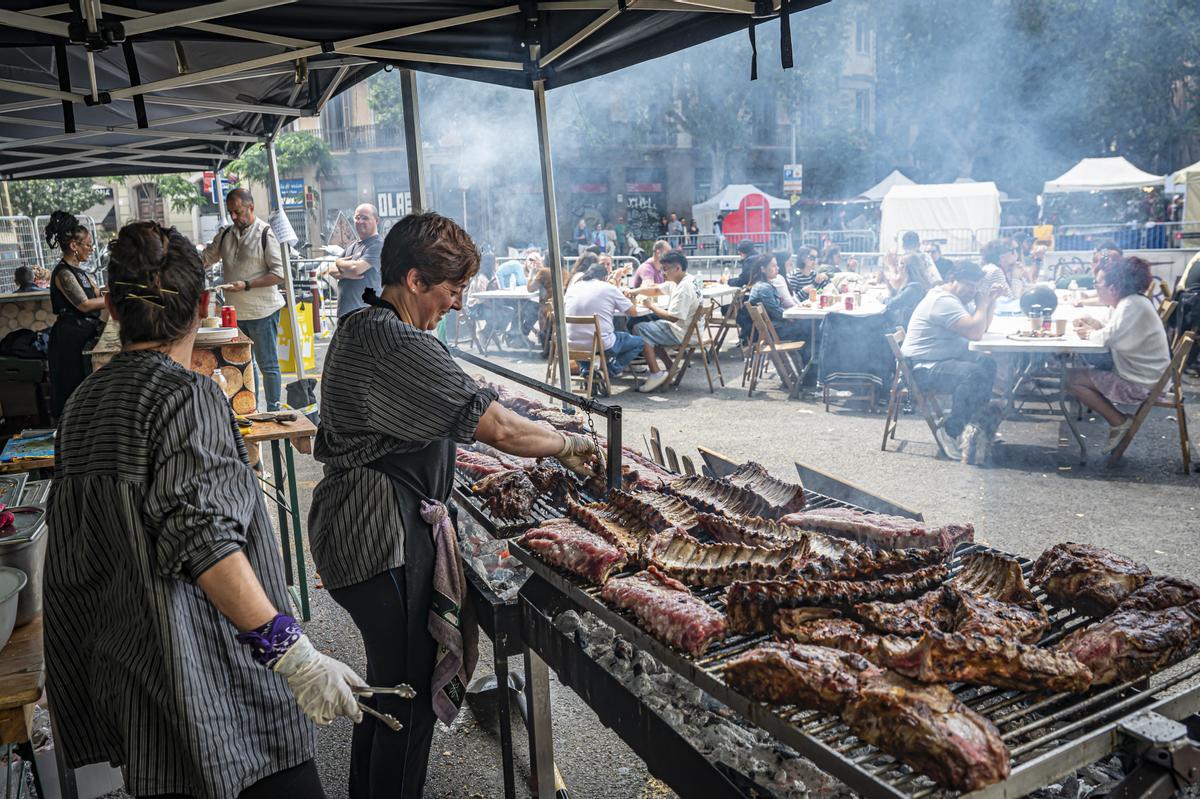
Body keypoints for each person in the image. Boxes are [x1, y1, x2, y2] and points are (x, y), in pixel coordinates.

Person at [47, 221, 365, 799]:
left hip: (137, 687)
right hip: (218, 692)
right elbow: (206, 543)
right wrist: (295, 657)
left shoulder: (81, 404)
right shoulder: (187, 396)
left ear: (113, 307)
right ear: (202, 304)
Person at [309, 212, 602, 798]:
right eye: (452, 290)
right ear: (414, 280)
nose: (459, 304)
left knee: (389, 689)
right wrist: (569, 444)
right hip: (378, 535)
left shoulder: (368, 325)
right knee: (407, 697)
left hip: (358, 526)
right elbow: (497, 428)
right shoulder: (390, 337)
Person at [1066, 256, 1171, 453]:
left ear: (1113, 287)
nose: (1095, 287)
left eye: (1097, 283)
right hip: (1146, 375)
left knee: (1071, 379)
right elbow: (1107, 328)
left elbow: (1107, 338)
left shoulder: (1131, 305)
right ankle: (1118, 421)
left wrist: (1089, 332)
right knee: (1075, 375)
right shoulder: (1127, 302)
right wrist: (1090, 323)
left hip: (1142, 383)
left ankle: (1119, 421)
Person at [900, 261, 1004, 459]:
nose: (971, 290)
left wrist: (990, 302)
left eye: (975, 286)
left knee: (987, 364)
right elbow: (975, 332)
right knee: (974, 374)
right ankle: (951, 431)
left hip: (937, 361)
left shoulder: (955, 297)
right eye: (968, 284)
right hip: (921, 368)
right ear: (951, 279)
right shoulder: (943, 301)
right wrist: (982, 303)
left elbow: (981, 328)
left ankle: (977, 429)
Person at [202, 188, 286, 410]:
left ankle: (273, 409)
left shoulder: (265, 233)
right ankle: (251, 408)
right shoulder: (226, 234)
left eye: (238, 211)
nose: (234, 217)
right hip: (235, 313)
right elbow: (207, 258)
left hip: (263, 311)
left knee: (267, 364)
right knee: (246, 365)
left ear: (251, 207)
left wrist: (247, 284)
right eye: (231, 212)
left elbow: (279, 274)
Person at [565, 262, 670, 391]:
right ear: (605, 277)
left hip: (572, 344)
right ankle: (609, 371)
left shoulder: (574, 288)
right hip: (601, 344)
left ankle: (587, 371)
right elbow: (633, 312)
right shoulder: (607, 288)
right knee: (640, 342)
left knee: (590, 336)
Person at [45, 211, 104, 418]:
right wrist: (116, 299)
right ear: (73, 246)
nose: (90, 249)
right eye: (87, 245)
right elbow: (85, 304)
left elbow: (98, 295)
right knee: (70, 388)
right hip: (69, 340)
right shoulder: (63, 273)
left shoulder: (84, 273)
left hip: (83, 336)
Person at [631, 251, 702, 388]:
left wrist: (650, 306)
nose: (663, 273)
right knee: (651, 327)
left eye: (666, 269)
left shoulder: (683, 288)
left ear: (677, 268)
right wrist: (635, 291)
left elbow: (672, 317)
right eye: (662, 269)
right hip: (693, 329)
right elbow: (657, 290)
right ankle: (670, 366)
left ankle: (655, 373)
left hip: (684, 333)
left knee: (639, 328)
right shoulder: (685, 279)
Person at [322, 203, 382, 320]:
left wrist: (340, 263)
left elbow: (356, 269)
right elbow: (331, 270)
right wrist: (344, 269)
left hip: (366, 316)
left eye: (365, 218)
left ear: (376, 221)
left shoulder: (378, 245)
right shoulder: (352, 245)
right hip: (345, 315)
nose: (360, 221)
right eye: (357, 218)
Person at [743, 254, 807, 342]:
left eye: (777, 265)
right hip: (772, 330)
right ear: (763, 269)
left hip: (769, 328)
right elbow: (776, 311)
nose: (777, 268)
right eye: (773, 266)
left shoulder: (763, 284)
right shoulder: (764, 287)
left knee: (806, 325)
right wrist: (791, 317)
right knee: (807, 327)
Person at [884, 253, 936, 329]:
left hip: (903, 329)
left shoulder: (914, 288)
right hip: (904, 324)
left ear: (906, 267)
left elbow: (892, 304)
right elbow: (900, 298)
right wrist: (890, 289)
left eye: (900, 263)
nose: (898, 267)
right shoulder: (916, 284)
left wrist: (881, 298)